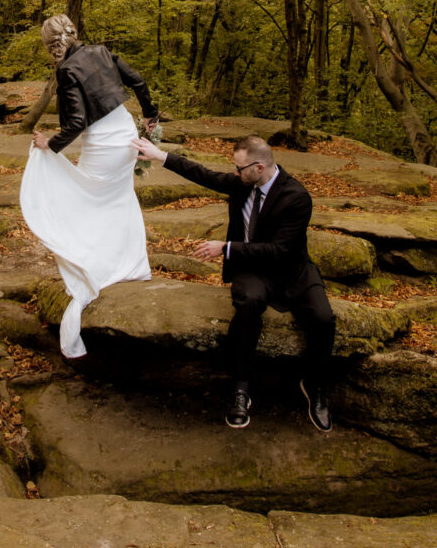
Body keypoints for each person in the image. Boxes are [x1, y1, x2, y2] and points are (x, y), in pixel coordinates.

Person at [131, 133, 336, 431]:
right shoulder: (242, 184)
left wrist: (226, 248)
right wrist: (159, 155)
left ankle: (315, 385)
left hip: (292, 270)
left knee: (324, 318)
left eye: (239, 168)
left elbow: (280, 250)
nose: (234, 172)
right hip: (251, 269)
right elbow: (202, 174)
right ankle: (241, 388)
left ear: (259, 168)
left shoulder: (297, 197)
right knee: (249, 305)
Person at [20, 15, 159, 358]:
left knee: (83, 201)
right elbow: (138, 81)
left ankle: (95, 269)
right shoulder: (101, 50)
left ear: (50, 44)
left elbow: (78, 123)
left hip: (103, 145)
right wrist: (150, 116)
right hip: (126, 134)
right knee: (117, 199)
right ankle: (129, 265)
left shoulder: (67, 71)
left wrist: (48, 144)